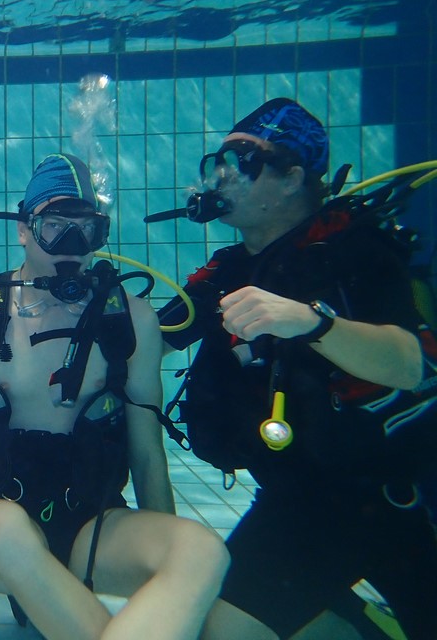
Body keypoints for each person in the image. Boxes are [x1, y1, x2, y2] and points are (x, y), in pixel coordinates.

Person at [0, 153, 277, 640]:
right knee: (5, 532)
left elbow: (148, 454)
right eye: (54, 226)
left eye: (86, 229)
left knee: (200, 550)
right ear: (23, 229)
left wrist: (159, 569)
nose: (72, 245)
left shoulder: (131, 320)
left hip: (96, 522)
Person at [158, 98, 437, 640]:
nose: (221, 176)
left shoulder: (354, 250)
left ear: (291, 179)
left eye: (242, 161)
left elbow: (408, 364)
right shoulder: (228, 273)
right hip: (300, 501)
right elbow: (148, 340)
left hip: (385, 497)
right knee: (222, 627)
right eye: (218, 162)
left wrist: (312, 323)